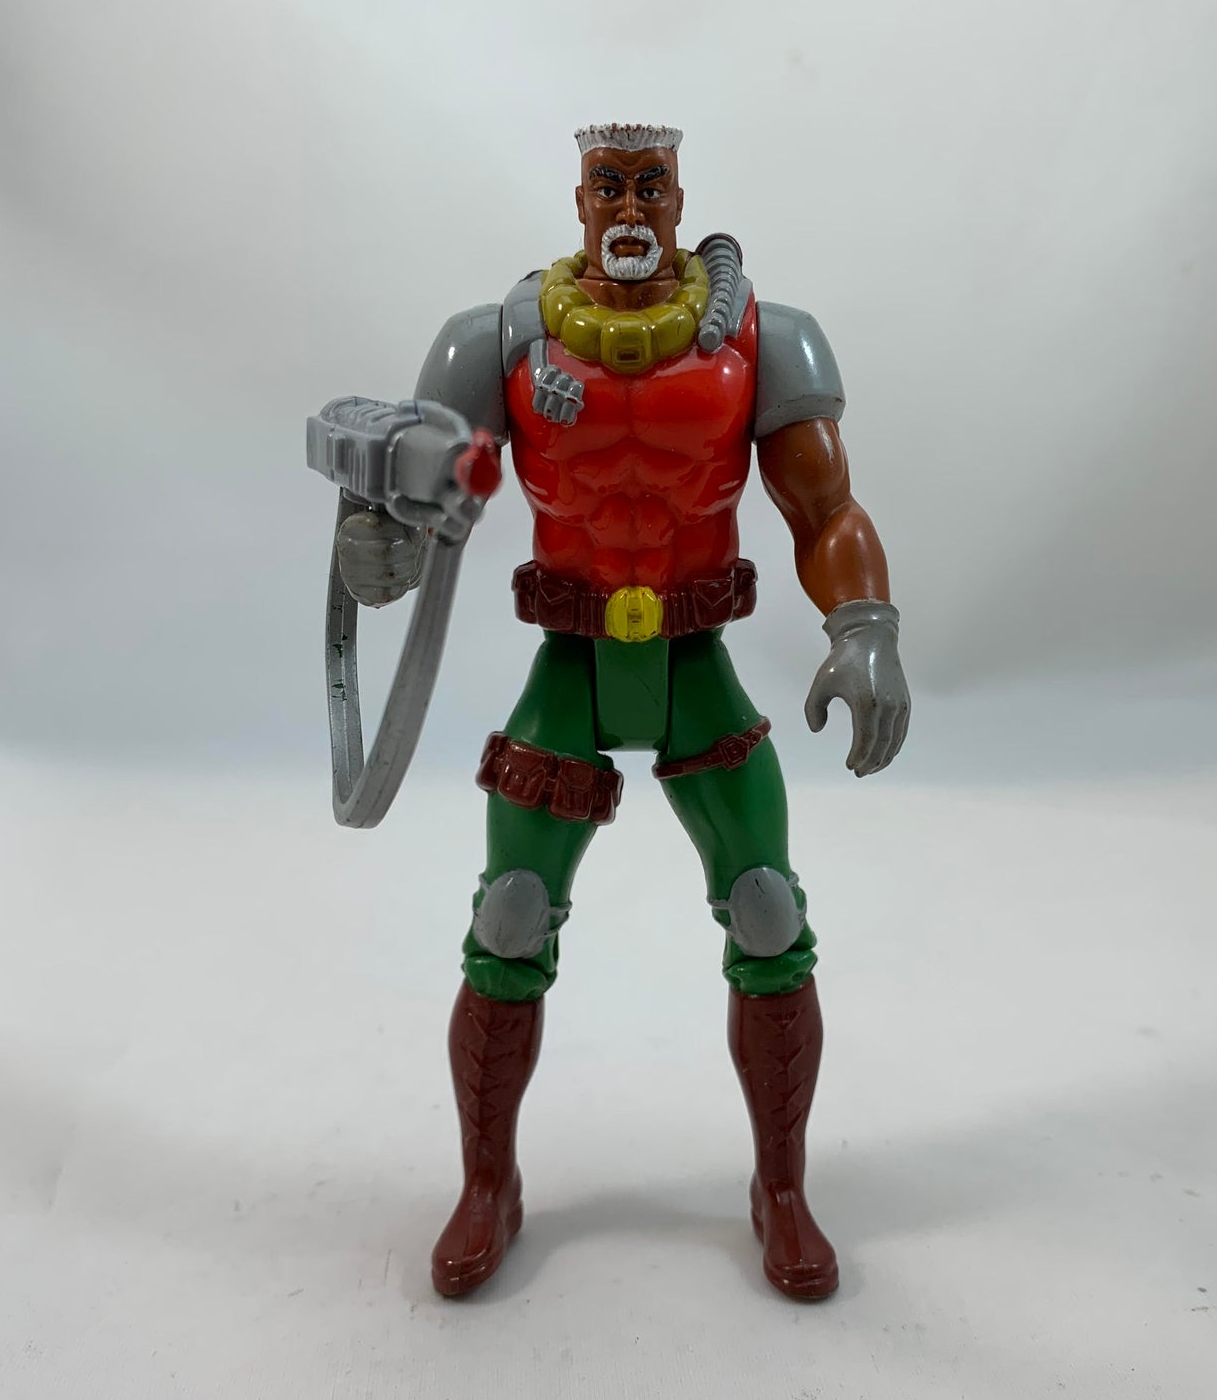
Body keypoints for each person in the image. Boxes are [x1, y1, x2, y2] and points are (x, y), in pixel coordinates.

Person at [336, 123, 910, 1301]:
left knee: (766, 912)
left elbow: (824, 510)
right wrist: (373, 545)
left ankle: (781, 1188)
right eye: (610, 186)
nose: (631, 207)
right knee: (508, 916)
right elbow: (427, 501)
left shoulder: (760, 338)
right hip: (572, 655)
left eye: (651, 185)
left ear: (680, 197)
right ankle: (487, 1182)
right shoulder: (500, 342)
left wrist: (862, 626)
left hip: (696, 656)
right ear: (581, 200)